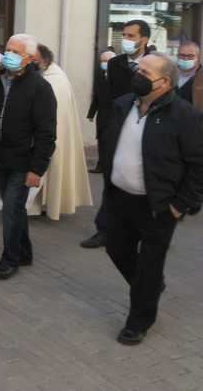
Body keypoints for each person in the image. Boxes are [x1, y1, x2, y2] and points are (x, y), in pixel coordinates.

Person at [102, 52, 203, 345]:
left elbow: (198, 165)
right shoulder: (123, 104)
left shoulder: (185, 116)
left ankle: (139, 320)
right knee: (116, 249)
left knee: (149, 264)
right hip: (120, 197)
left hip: (159, 205)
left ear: (164, 83)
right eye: (138, 69)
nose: (137, 75)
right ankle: (149, 288)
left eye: (145, 73)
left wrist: (180, 204)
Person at [0, 34, 56, 279]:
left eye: (16, 52)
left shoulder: (39, 87)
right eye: (8, 50)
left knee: (10, 210)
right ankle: (24, 252)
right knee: (15, 208)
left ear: (28, 58)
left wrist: (37, 169)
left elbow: (47, 132)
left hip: (23, 159)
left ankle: (10, 259)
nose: (9, 55)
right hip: (1, 155)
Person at [81, 19, 151, 249]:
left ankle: (147, 231)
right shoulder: (115, 64)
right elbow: (108, 99)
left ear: (144, 39)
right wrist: (107, 130)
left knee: (145, 182)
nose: (126, 41)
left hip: (147, 130)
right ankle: (104, 230)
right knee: (112, 179)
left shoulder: (155, 64)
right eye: (124, 35)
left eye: (131, 36)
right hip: (118, 129)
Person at [27, 45, 92, 220]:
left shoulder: (56, 80)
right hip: (35, 135)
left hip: (50, 136)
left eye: (33, 60)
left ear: (44, 61)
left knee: (48, 169)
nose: (30, 63)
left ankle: (44, 205)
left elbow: (54, 115)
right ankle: (33, 205)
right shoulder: (40, 75)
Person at [87, 50, 116, 173]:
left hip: (114, 116)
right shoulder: (100, 76)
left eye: (106, 61)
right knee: (101, 140)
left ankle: (111, 166)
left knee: (112, 142)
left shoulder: (119, 78)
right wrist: (91, 113)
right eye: (102, 61)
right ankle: (101, 165)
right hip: (102, 115)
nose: (103, 63)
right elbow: (97, 97)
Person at [175, 41, 203, 110]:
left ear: (198, 58)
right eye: (182, 55)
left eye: (190, 56)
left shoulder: (201, 77)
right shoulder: (169, 74)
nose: (185, 59)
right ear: (177, 56)